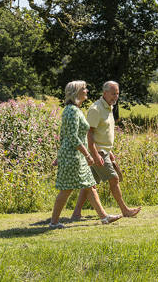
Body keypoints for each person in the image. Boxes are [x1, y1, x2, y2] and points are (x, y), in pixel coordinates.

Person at [49, 80, 122, 229]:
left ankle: (104, 217)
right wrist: (87, 155)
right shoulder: (71, 111)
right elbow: (72, 137)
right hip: (73, 156)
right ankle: (54, 222)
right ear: (76, 92)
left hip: (74, 155)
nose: (87, 91)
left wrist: (60, 154)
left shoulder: (75, 110)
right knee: (66, 189)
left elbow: (65, 135)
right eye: (84, 89)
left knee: (89, 185)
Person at [71, 81, 141, 219]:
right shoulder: (96, 109)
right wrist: (95, 154)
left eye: (117, 94)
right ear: (105, 93)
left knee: (89, 184)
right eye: (113, 93)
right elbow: (88, 133)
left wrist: (110, 151)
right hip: (98, 152)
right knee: (114, 178)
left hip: (104, 151)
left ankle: (76, 213)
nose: (115, 97)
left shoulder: (109, 107)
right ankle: (125, 210)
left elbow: (104, 132)